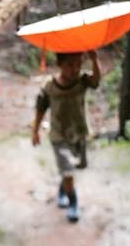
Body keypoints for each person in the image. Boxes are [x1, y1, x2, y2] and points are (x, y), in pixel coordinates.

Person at [31, 50, 101, 223]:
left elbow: (96, 81)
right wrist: (35, 131)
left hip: (79, 133)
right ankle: (73, 203)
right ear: (59, 64)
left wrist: (94, 59)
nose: (75, 69)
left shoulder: (82, 81)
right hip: (59, 136)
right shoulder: (50, 87)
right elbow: (40, 109)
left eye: (78, 64)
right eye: (70, 64)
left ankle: (63, 188)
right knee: (68, 171)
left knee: (78, 166)